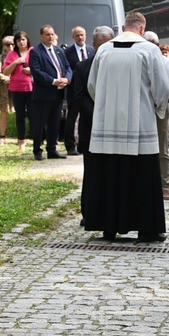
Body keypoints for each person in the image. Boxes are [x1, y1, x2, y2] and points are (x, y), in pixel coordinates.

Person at [85, 12, 169, 241]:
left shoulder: (104, 50)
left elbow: (92, 85)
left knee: (110, 173)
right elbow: (162, 87)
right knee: (142, 176)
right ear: (142, 29)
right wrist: (156, 106)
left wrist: (107, 107)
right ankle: (146, 228)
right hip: (139, 124)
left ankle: (109, 226)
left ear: (124, 27)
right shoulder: (149, 50)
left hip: (106, 126)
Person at [73, 26, 114, 225]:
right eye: (101, 46)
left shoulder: (118, 67)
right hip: (91, 127)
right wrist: (100, 116)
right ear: (94, 46)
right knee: (91, 173)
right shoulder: (83, 67)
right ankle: (88, 213)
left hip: (115, 129)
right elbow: (80, 97)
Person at [144, 31, 169, 201]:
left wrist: (159, 102)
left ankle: (164, 185)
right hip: (140, 109)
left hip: (160, 108)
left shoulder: (167, 63)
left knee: (161, 148)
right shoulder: (139, 62)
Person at [29, 25, 71, 161]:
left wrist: (67, 79)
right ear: (41, 36)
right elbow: (36, 71)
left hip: (58, 94)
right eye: (47, 35)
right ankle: (37, 150)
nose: (51, 37)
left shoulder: (59, 50)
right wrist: (53, 81)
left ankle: (52, 149)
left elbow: (67, 67)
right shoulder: (36, 52)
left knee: (55, 123)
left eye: (52, 34)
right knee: (39, 123)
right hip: (43, 94)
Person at [63, 26, 95, 156]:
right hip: (74, 90)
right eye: (77, 35)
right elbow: (67, 69)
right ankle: (70, 146)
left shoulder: (91, 50)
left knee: (86, 117)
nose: (80, 37)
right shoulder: (68, 52)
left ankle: (83, 144)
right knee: (72, 117)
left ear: (86, 35)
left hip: (89, 90)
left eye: (82, 35)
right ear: (73, 37)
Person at [2, 31, 34, 153]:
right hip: (16, 89)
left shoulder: (33, 51)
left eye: (23, 39)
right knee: (19, 116)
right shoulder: (12, 54)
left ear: (27, 40)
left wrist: (31, 71)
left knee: (33, 115)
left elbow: (40, 67)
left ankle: (37, 140)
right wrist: (16, 62)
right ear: (15, 42)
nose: (21, 42)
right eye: (19, 40)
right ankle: (21, 141)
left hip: (31, 88)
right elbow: (5, 72)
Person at [0, 36, 15, 144]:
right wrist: (4, 78)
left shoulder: (18, 56)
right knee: (4, 111)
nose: (10, 46)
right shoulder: (0, 57)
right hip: (4, 88)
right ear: (4, 46)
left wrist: (12, 79)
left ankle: (20, 137)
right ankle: (2, 136)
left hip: (17, 86)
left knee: (19, 112)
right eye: (8, 44)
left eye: (12, 44)